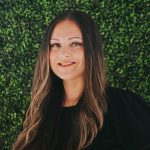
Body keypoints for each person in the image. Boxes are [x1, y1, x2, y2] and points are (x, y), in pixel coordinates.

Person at [13, 10, 150, 150]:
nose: (64, 53)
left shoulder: (119, 104)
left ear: (92, 49)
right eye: (55, 45)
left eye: (75, 43)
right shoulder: (37, 110)